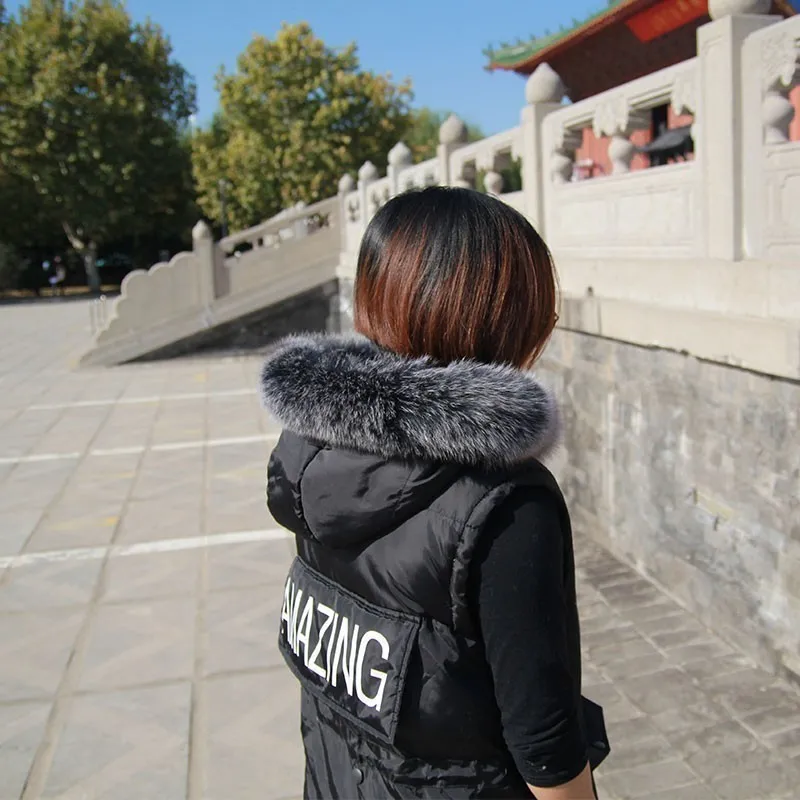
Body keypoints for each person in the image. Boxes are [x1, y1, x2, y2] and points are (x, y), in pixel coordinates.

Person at [261, 187, 609, 799]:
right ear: (504, 323)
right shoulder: (504, 504)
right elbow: (546, 746)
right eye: (541, 315)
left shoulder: (314, 452)